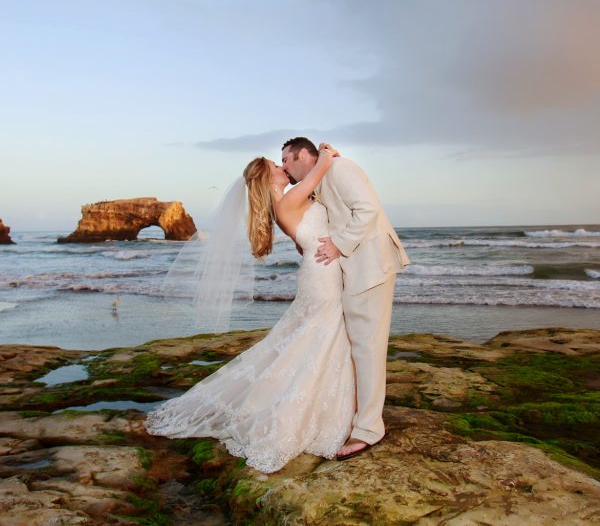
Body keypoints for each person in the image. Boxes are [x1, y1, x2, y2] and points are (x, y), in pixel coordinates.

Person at [144, 144, 356, 474]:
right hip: (322, 279)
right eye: (276, 164)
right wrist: (326, 156)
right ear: (265, 176)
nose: (281, 166)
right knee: (320, 340)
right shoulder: (287, 199)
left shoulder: (284, 201)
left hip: (319, 273)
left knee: (310, 342)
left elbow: (305, 242)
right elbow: (318, 174)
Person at [280, 137, 410, 460]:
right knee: (359, 346)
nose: (283, 166)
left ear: (304, 155)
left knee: (368, 347)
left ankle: (369, 430)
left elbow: (368, 209)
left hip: (371, 266)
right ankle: (361, 418)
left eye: (286, 160)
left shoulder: (340, 169)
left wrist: (338, 243)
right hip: (356, 270)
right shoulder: (322, 177)